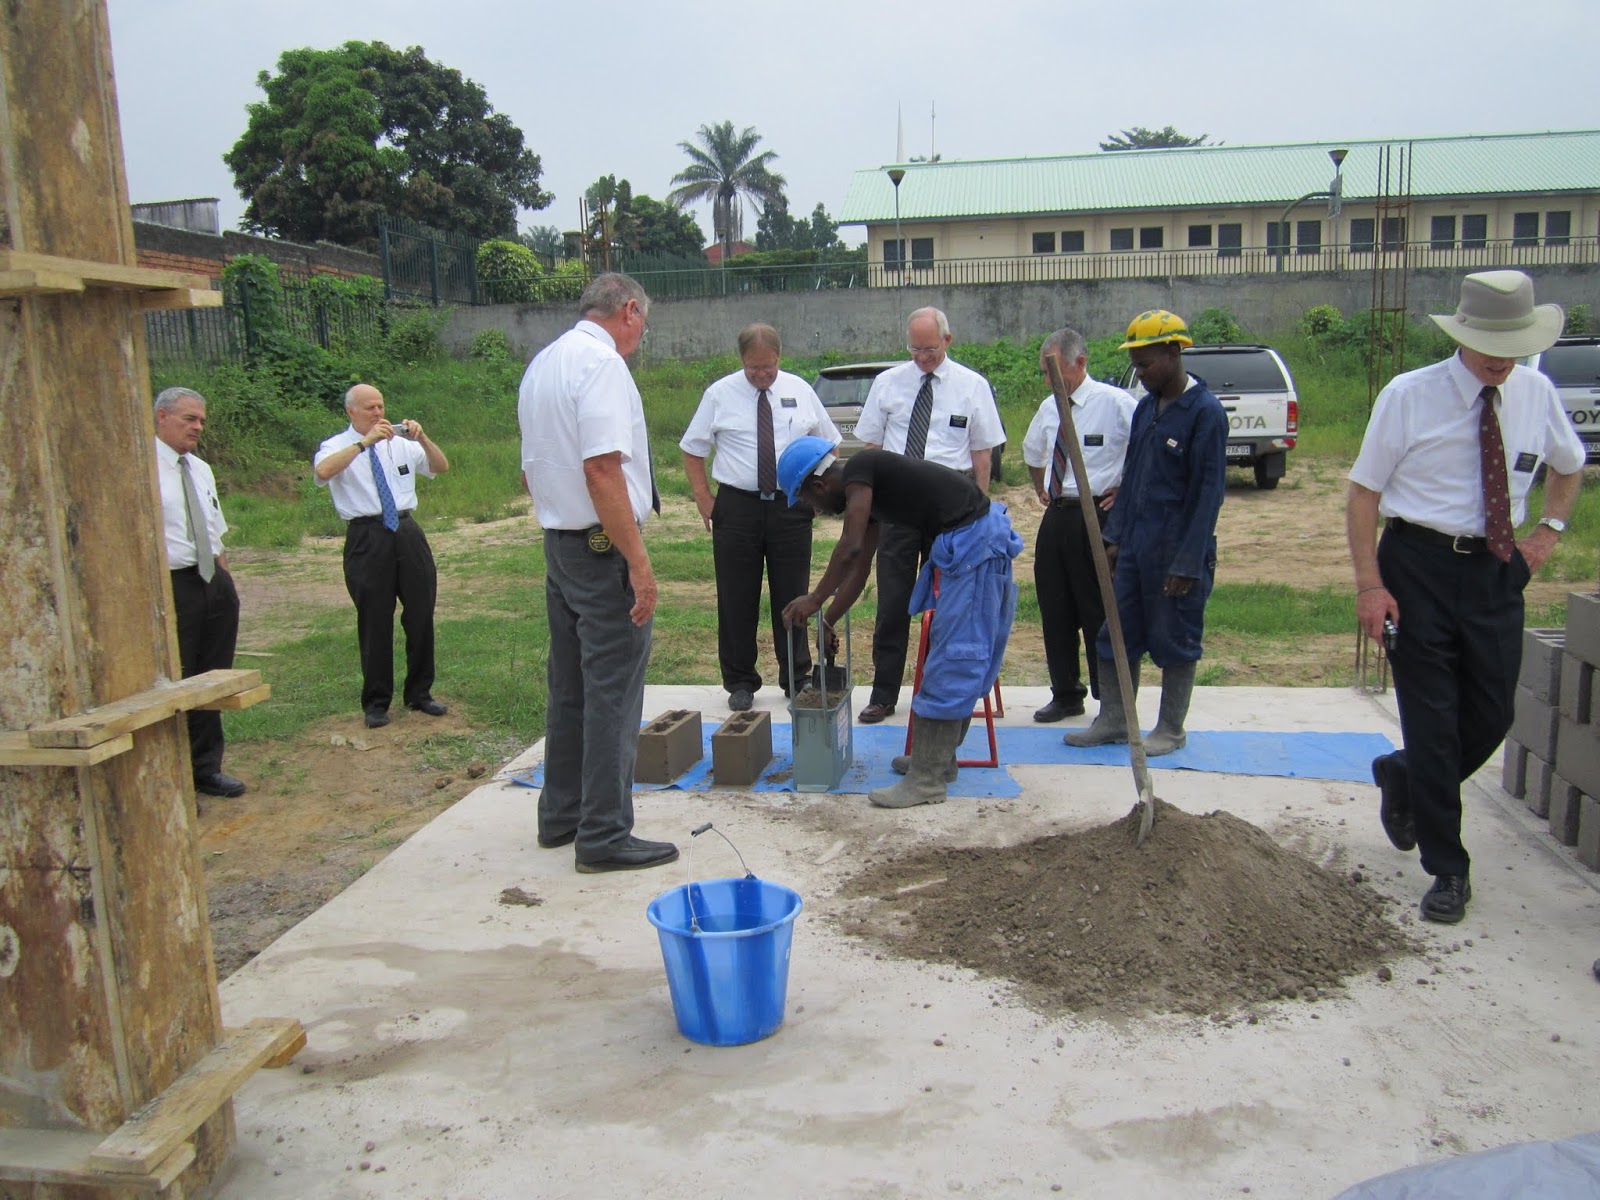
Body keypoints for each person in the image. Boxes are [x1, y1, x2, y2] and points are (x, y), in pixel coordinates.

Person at [1348, 269, 1581, 925]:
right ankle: (1448, 869)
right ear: (1462, 335)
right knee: (1433, 721)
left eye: (1512, 346)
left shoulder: (1536, 393)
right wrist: (1371, 584)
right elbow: (1363, 493)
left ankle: (1404, 776)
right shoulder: (1409, 395)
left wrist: (1547, 533)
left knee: (1491, 713)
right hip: (1415, 565)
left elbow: (1569, 466)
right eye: (1489, 345)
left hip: (1496, 570)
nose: (1499, 360)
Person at [518, 272, 678, 874]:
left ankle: (562, 815)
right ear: (630, 310)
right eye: (645, 323)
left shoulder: (545, 363)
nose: (642, 335)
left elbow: (533, 470)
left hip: (561, 542)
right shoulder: (602, 365)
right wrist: (639, 563)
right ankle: (605, 833)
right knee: (612, 689)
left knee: (572, 688)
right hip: (598, 547)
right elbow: (605, 470)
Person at [777, 437, 1021, 808]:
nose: (816, 510)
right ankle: (939, 760)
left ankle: (927, 780)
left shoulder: (861, 469)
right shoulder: (869, 494)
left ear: (819, 485)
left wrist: (813, 598)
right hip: (967, 545)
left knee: (955, 659)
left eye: (810, 502)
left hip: (976, 549)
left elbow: (850, 547)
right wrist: (827, 618)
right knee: (950, 652)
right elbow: (859, 569)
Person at [1066, 310, 1227, 757]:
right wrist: (1115, 539)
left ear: (1175, 353)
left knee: (1174, 639)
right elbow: (1132, 476)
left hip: (1176, 552)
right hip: (1135, 546)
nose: (1140, 372)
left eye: (1147, 363)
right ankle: (1116, 719)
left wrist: (1187, 563)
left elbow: (1207, 495)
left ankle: (1170, 728)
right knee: (1115, 633)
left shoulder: (1204, 415)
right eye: (1135, 364)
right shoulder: (1145, 409)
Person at [852, 307, 1006, 725]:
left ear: (948, 340)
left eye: (931, 350)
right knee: (893, 601)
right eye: (915, 349)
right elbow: (872, 449)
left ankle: (945, 695)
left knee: (953, 604)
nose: (922, 357)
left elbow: (982, 453)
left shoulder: (973, 386)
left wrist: (981, 511)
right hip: (900, 504)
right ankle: (884, 693)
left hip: (951, 508)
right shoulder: (888, 384)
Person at [680, 324, 841, 711]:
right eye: (754, 369)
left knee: (793, 593)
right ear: (742, 361)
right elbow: (692, 449)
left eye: (768, 368)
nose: (761, 375)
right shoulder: (719, 394)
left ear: (779, 359)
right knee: (737, 595)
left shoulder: (801, 390)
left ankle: (796, 674)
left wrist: (821, 496)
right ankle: (739, 680)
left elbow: (828, 444)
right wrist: (704, 498)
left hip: (790, 506)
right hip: (737, 507)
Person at [313, 384, 450, 729]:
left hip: (406, 530)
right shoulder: (336, 445)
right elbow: (323, 472)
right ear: (351, 412)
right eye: (370, 408)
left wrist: (423, 439)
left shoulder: (400, 444)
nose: (378, 413)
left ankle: (420, 692)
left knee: (421, 612)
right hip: (366, 534)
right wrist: (364, 444)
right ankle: (376, 702)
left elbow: (441, 466)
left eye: (380, 406)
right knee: (375, 618)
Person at [1022, 327, 1137, 723]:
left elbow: (1144, 452)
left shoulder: (1116, 403)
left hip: (1098, 511)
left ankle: (1111, 697)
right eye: (1045, 373)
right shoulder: (1047, 407)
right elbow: (1033, 451)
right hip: (1059, 511)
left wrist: (1126, 489)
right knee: (1055, 605)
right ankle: (1066, 692)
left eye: (1055, 372)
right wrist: (1042, 487)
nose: (1050, 381)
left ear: (1080, 363)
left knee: (1097, 606)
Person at [153, 386, 247, 799]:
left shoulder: (200, 468)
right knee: (177, 678)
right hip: (171, 582)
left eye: (202, 421)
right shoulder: (141, 468)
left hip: (210, 578)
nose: (198, 427)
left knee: (211, 678)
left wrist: (225, 584)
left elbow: (213, 529)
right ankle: (171, 777)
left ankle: (206, 768)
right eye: (190, 418)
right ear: (161, 417)